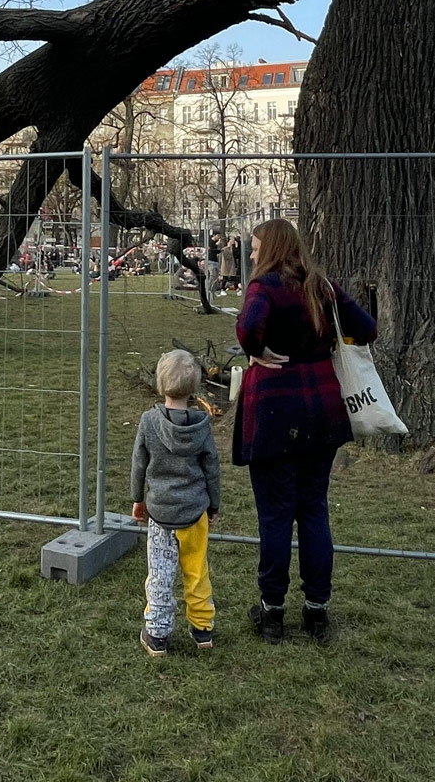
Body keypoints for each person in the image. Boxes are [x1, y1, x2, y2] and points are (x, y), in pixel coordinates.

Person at [233, 218, 377, 645]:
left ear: (272, 248)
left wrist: (257, 352)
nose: (253, 254)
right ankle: (317, 611)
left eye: (256, 247)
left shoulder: (264, 287)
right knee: (314, 510)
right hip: (321, 413)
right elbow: (367, 328)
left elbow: (247, 328)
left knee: (275, 514)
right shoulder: (323, 287)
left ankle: (272, 611)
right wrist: (327, 343)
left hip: (275, 412)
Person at [130, 350, 221, 656]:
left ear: (160, 383)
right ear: (194, 386)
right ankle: (202, 629)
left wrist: (137, 499)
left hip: (160, 514)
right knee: (197, 572)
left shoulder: (148, 421)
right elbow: (212, 468)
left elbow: (139, 464)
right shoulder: (202, 425)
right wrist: (214, 504)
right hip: (196, 513)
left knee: (160, 573)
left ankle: (157, 633)